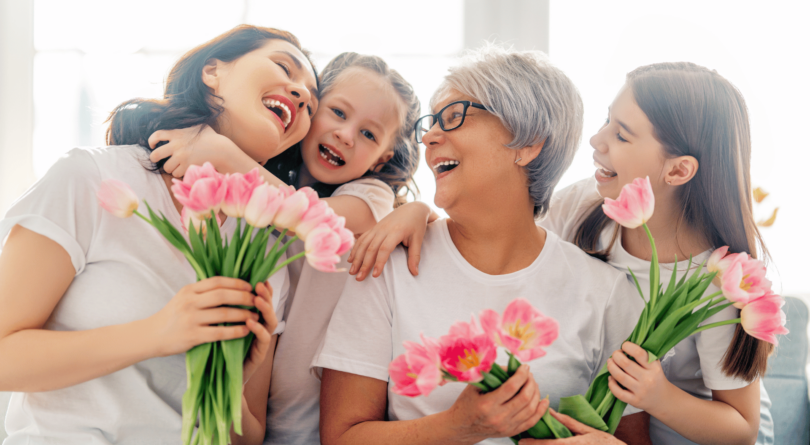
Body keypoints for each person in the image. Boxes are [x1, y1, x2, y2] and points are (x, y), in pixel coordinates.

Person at [349, 62, 775, 445]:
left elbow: (742, 428)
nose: (597, 138)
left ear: (679, 169)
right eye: (608, 121)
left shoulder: (722, 281)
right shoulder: (590, 206)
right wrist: (415, 212)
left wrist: (657, 395)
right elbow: (502, 224)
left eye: (621, 133)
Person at [314, 44, 649, 445]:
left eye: (454, 117)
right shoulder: (386, 264)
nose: (430, 138)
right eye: (432, 122)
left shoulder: (606, 294)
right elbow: (341, 436)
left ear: (528, 143)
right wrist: (459, 427)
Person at [0, 25, 317, 444]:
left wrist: (227, 381)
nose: (300, 95)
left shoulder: (268, 256)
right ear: (212, 71)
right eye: (284, 67)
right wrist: (158, 333)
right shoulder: (94, 177)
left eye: (311, 102)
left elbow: (248, 436)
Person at [146, 51, 422, 444]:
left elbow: (306, 217)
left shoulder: (369, 196)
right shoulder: (269, 174)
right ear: (310, 113)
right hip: (252, 401)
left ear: (382, 160)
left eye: (368, 135)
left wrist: (223, 154)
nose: (346, 134)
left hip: (311, 419)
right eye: (339, 114)